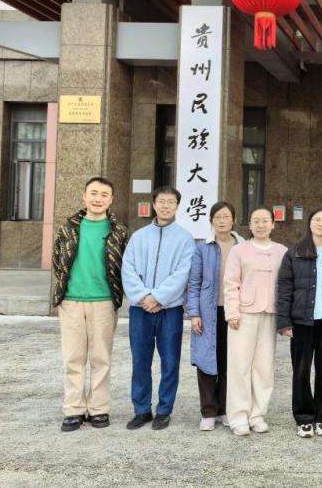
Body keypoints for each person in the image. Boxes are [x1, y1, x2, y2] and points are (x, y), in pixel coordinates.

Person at [51, 176, 129, 431]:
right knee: (73, 358)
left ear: (111, 200)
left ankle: (98, 408)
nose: (98, 199)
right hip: (71, 301)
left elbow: (123, 265)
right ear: (84, 196)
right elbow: (57, 261)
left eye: (104, 195)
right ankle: (73, 409)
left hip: (104, 301)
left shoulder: (119, 231)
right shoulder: (68, 228)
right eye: (93, 193)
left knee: (101, 358)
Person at [122, 185, 196, 431]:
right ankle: (141, 409)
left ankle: (164, 410)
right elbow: (128, 269)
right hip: (140, 309)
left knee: (170, 361)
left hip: (170, 310)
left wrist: (159, 297)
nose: (166, 206)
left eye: (171, 202)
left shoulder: (185, 238)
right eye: (161, 201)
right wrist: (144, 297)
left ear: (177, 206)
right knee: (140, 361)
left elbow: (183, 273)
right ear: (154, 204)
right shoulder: (139, 236)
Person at [277, 208, 322, 439]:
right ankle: (304, 417)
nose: (321, 223)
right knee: (301, 370)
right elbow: (284, 289)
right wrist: (284, 321)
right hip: (301, 322)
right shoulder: (294, 253)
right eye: (317, 219)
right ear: (309, 223)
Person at [223, 206, 288, 437]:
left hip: (270, 313)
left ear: (273, 224)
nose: (261, 225)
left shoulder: (282, 251)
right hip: (244, 314)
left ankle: (257, 415)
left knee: (264, 367)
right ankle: (238, 416)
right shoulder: (239, 250)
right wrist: (232, 312)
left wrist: (285, 318)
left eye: (265, 221)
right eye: (256, 221)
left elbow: (287, 285)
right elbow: (231, 283)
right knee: (239, 366)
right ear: (249, 225)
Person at [187, 202, 245, 431]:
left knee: (230, 361)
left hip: (235, 312)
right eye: (217, 217)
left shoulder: (243, 246)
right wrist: (194, 313)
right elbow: (194, 283)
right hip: (208, 312)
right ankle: (209, 411)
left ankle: (225, 409)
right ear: (211, 221)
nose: (222, 220)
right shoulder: (202, 248)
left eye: (226, 216)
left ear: (234, 220)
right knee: (206, 360)